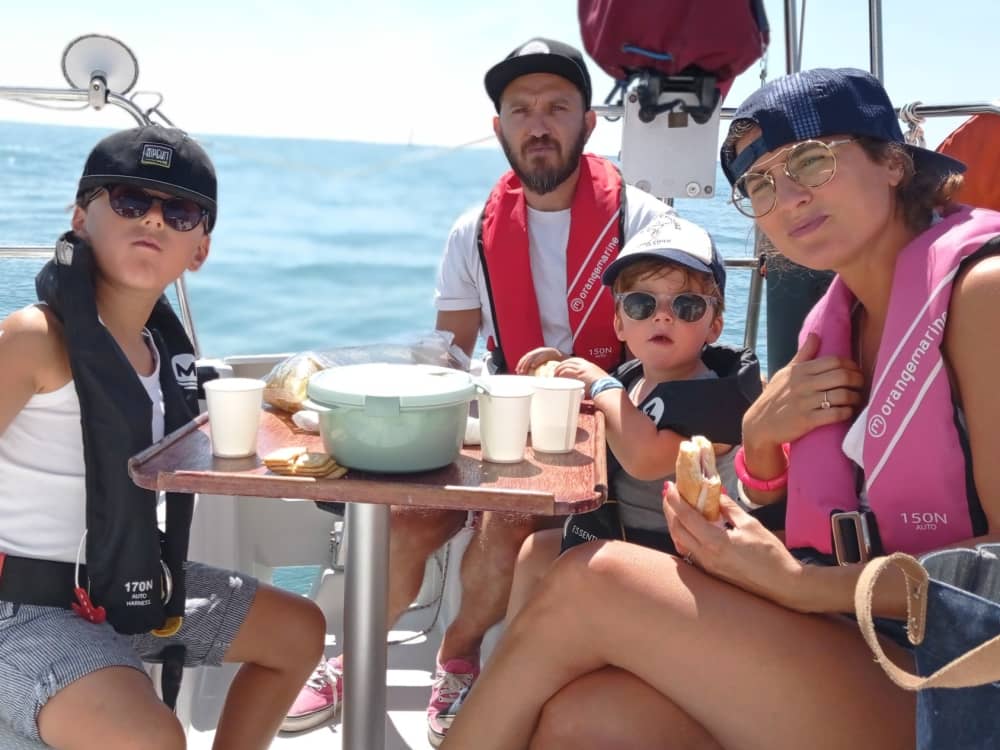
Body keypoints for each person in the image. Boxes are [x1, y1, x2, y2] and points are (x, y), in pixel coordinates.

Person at [439, 67, 1000, 749]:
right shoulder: (839, 327)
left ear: (891, 162)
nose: (787, 197)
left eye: (812, 162)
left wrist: (798, 587)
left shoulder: (983, 295)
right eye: (759, 184)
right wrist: (760, 445)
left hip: (960, 678)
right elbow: (809, 514)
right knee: (582, 721)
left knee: (597, 578)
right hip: (859, 640)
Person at [282, 37, 668, 744]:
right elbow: (449, 357)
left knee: (510, 523)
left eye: (557, 107)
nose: (539, 123)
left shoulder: (640, 221)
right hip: (506, 406)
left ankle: (456, 655)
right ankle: (348, 657)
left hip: (615, 413)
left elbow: (675, 343)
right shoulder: (472, 232)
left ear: (588, 121)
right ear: (499, 129)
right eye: (520, 110)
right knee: (404, 520)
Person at [0, 124, 326, 749]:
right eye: (129, 201)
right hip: (24, 607)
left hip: (125, 583)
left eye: (178, 212)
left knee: (298, 632)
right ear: (80, 217)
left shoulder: (163, 356)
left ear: (199, 249)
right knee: (154, 738)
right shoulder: (37, 337)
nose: (152, 220)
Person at [503, 212, 762, 623]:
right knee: (536, 553)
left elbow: (645, 459)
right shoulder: (633, 380)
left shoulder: (718, 398)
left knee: (574, 567)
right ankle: (506, 664)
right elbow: (605, 419)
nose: (662, 316)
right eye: (642, 303)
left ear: (714, 326)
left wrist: (601, 385)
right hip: (626, 538)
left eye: (687, 305)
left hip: (689, 562)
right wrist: (562, 377)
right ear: (619, 323)